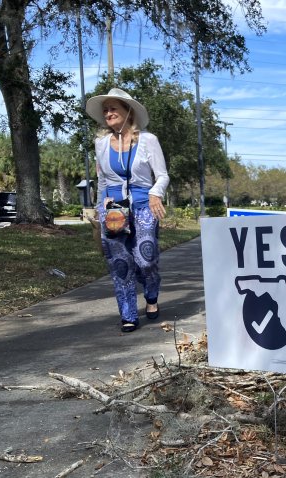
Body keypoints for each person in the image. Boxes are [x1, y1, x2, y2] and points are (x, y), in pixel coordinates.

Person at [86, 88, 170, 333]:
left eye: (114, 108)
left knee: (145, 258)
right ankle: (129, 314)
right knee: (120, 263)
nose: (108, 113)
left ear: (128, 112)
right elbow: (102, 179)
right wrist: (100, 205)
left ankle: (151, 294)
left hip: (144, 205)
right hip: (114, 210)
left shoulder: (148, 140)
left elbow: (162, 175)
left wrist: (156, 193)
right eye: (106, 110)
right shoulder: (101, 144)